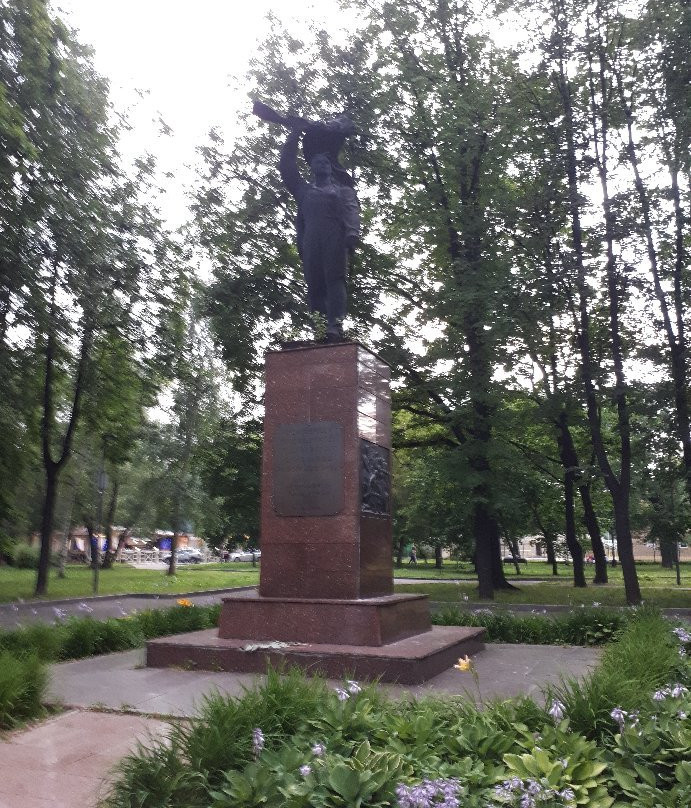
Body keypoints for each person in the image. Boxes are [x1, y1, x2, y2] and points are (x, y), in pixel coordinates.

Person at [279, 126, 360, 341]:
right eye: (318, 162)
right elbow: (286, 167)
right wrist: (294, 134)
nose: (323, 164)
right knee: (314, 284)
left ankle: (336, 325)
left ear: (331, 167)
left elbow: (352, 209)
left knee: (335, 281)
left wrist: (352, 232)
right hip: (310, 241)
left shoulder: (342, 191)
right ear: (312, 167)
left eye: (326, 162)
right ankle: (320, 326)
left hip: (335, 238)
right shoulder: (303, 190)